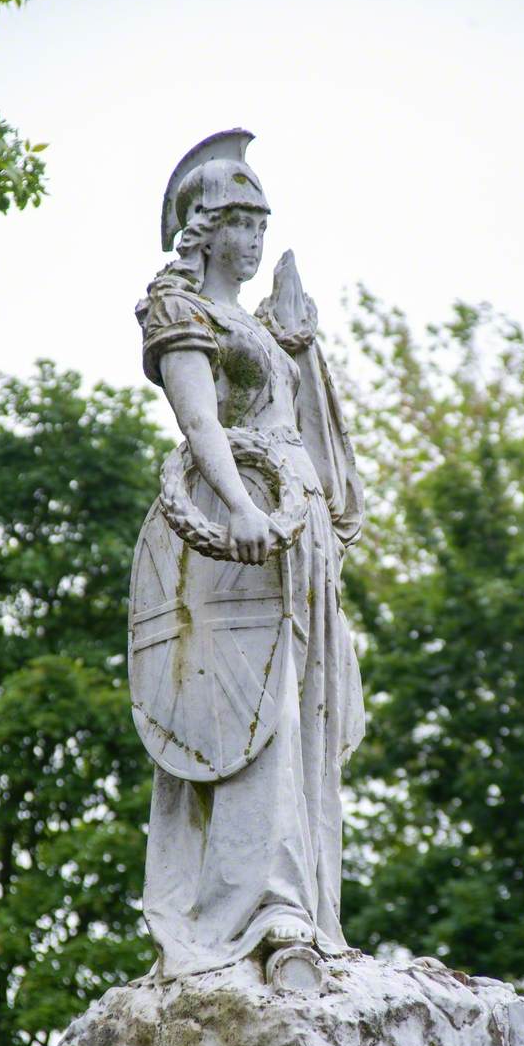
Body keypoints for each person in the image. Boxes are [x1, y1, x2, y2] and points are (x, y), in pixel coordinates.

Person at [134, 130, 365, 978]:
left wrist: (300, 348)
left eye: (261, 222)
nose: (255, 238)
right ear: (204, 226)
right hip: (235, 544)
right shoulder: (179, 307)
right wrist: (238, 508)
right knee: (246, 720)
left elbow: (296, 422)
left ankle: (306, 907)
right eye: (239, 221)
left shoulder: (258, 324)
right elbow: (200, 426)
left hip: (293, 541)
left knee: (299, 724)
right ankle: (261, 915)